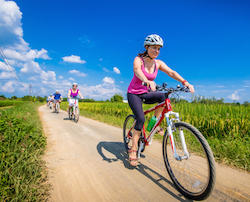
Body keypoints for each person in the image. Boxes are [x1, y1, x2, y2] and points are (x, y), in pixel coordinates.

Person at [127, 34, 195, 166]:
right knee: (140, 119)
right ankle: (133, 149)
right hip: (134, 94)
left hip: (146, 93)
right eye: (154, 48)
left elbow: (171, 72)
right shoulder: (139, 60)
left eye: (159, 49)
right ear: (146, 47)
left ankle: (155, 123)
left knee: (163, 97)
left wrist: (185, 82)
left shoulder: (158, 63)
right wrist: (146, 80)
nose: (156, 51)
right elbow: (137, 71)